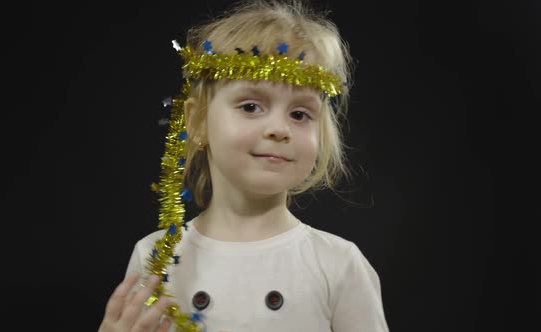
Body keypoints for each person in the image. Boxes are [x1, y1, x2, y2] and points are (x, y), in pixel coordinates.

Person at [101, 0, 389, 331]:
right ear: (196, 122)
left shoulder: (338, 265)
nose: (279, 129)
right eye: (251, 106)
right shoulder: (155, 257)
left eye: (299, 114)